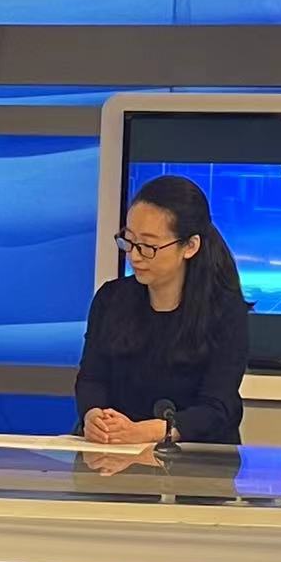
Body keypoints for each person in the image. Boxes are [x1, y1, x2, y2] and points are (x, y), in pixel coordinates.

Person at [76, 174, 251, 446]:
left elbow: (218, 408)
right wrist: (93, 416)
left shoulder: (224, 311)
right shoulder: (110, 299)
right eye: (129, 240)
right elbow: (91, 379)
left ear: (190, 246)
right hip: (115, 454)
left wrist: (152, 431)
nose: (134, 256)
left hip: (197, 460)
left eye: (148, 246)